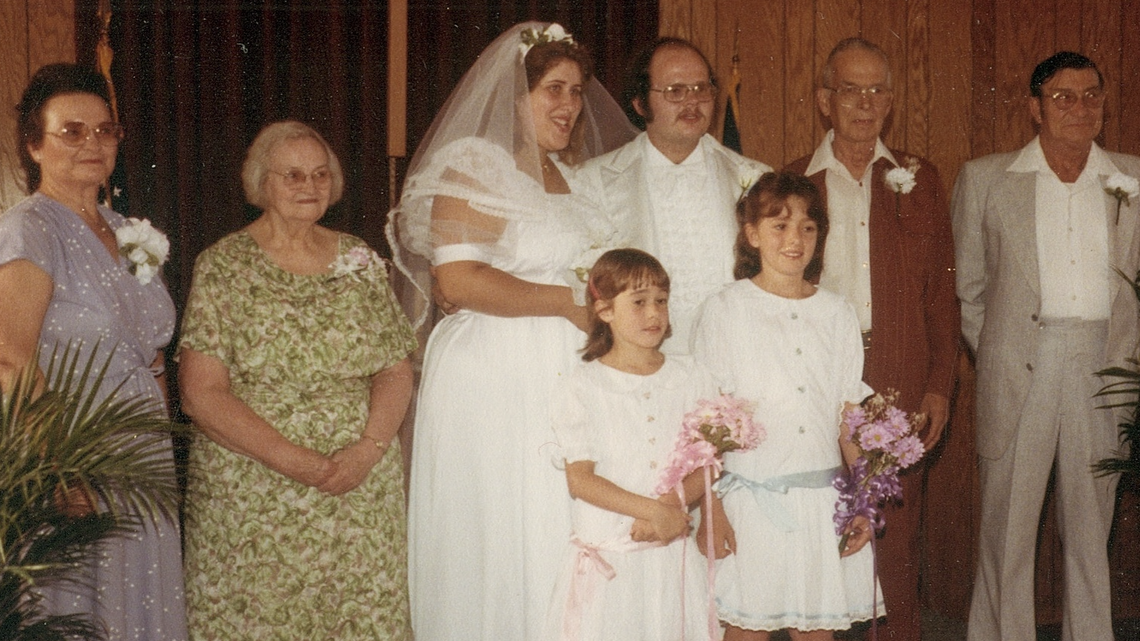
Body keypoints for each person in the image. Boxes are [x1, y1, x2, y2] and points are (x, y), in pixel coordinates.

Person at [384, 22, 637, 641]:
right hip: (496, 371)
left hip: (566, 369)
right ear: (513, 96)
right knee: (503, 524)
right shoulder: (473, 167)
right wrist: (568, 302)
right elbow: (460, 281)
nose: (569, 105)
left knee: (556, 525)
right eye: (553, 89)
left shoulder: (574, 178)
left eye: (577, 91)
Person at [177, 120, 417, 640]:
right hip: (255, 485)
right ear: (261, 183)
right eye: (293, 175)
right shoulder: (222, 265)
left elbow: (396, 367)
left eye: (320, 174)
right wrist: (296, 461)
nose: (309, 186)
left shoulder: (358, 258)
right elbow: (201, 393)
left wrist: (367, 449)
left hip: (359, 483)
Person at [952, 51, 1140, 641]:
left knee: (1092, 530)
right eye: (1063, 96)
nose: (1079, 108)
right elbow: (969, 290)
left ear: (1104, 107)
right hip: (1019, 367)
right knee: (1007, 530)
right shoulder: (987, 178)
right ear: (1035, 108)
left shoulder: (1132, 180)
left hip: (1103, 367)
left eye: (1091, 96)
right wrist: (1004, 350)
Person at [0, 63, 188, 640]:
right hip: (73, 452)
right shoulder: (30, 228)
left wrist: (166, 470)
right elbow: (10, 355)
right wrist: (58, 469)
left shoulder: (126, 230)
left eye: (105, 131)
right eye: (71, 131)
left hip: (141, 459)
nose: (93, 144)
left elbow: (152, 356)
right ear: (34, 145)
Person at [783, 37, 960, 640]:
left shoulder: (918, 178)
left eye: (878, 90)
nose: (865, 103)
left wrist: (939, 387)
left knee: (895, 537)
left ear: (891, 101)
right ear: (825, 101)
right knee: (819, 528)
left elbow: (942, 295)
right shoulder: (790, 183)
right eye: (850, 89)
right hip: (818, 379)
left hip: (899, 374)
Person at [693, 172, 883, 641]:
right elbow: (703, 422)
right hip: (749, 503)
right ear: (752, 234)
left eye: (807, 228)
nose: (795, 239)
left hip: (822, 505)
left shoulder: (837, 313)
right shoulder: (725, 310)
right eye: (779, 226)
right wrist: (710, 508)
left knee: (817, 631)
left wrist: (863, 501)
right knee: (745, 629)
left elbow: (847, 419)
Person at [543, 248, 718, 641]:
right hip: (612, 563)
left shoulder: (692, 377)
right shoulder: (582, 386)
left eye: (661, 301)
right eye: (639, 302)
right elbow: (581, 480)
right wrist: (651, 511)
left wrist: (669, 510)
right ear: (604, 310)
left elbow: (708, 460)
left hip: (669, 560)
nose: (654, 313)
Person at [575, 37, 773, 355]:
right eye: (675, 92)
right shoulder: (593, 182)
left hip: (737, 357)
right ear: (640, 103)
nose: (692, 102)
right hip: (640, 367)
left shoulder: (756, 181)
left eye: (701, 89)